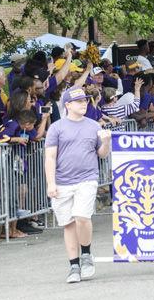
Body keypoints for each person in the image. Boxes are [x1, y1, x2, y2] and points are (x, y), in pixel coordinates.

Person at [45, 86, 112, 283]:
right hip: (63, 181)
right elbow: (49, 156)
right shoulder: (56, 128)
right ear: (67, 105)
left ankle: (86, 254)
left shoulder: (93, 125)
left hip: (87, 178)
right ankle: (74, 265)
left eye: (85, 100)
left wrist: (106, 142)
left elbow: (101, 154)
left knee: (82, 217)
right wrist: (51, 183)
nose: (84, 103)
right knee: (68, 224)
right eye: (79, 101)